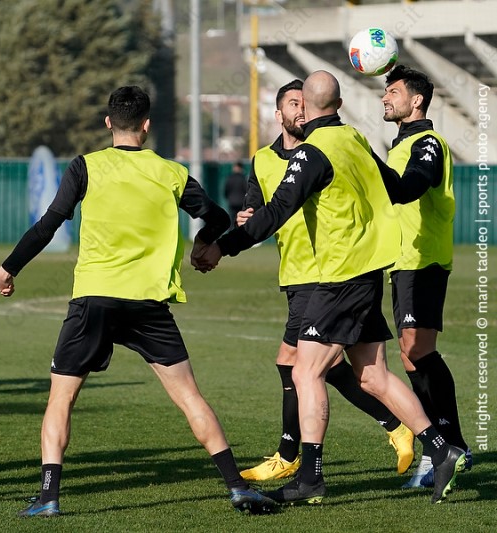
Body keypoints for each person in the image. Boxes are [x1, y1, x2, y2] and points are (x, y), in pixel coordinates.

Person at [0, 86, 276, 517]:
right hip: (148, 303)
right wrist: (203, 242)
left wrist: (8, 269)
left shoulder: (85, 166)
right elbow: (216, 217)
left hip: (94, 299)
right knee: (190, 397)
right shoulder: (171, 172)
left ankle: (48, 498)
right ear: (146, 125)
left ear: (108, 123)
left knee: (61, 399)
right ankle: (237, 487)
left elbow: (48, 225)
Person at [192, 71, 464, 505]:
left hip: (339, 275)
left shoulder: (313, 152)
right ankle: (441, 448)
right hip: (369, 270)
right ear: (338, 104)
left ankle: (310, 478)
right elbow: (394, 189)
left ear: (308, 105)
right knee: (373, 375)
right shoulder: (355, 138)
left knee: (305, 371)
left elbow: (277, 211)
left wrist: (222, 247)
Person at [236, 80, 414, 482]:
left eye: (304, 103)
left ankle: (290, 456)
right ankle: (401, 427)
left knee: (296, 364)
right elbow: (256, 206)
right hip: (294, 272)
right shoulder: (263, 160)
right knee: (338, 368)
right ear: (278, 114)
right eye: (292, 104)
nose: (300, 110)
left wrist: (224, 246)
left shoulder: (323, 150)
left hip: (325, 274)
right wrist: (246, 218)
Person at [379, 65, 471, 487]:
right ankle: (446, 447)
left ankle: (450, 446)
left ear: (416, 100)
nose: (385, 98)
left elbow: (411, 186)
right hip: (402, 262)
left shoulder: (427, 142)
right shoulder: (401, 144)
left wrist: (368, 160)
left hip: (424, 259)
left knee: (418, 350)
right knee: (409, 353)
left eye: (394, 91)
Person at [223, 161, 247, 227]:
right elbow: (246, 190)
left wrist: (228, 198)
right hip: (241, 202)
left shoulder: (230, 178)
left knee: (232, 219)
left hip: (232, 202)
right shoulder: (243, 178)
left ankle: (232, 231)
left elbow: (226, 190)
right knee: (241, 220)